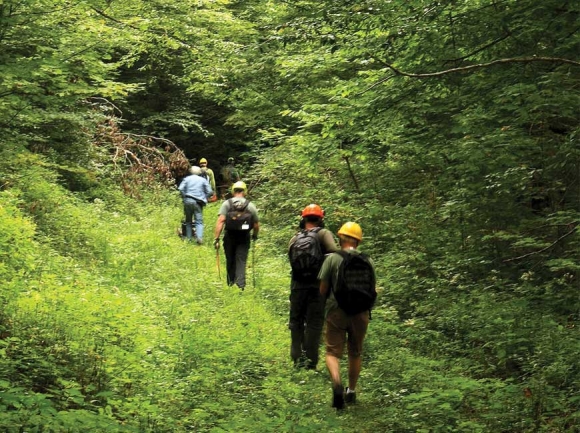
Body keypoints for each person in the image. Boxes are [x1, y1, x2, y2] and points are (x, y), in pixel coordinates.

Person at [318, 222, 376, 410]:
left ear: (340, 238)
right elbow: (372, 289)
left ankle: (337, 383)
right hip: (361, 313)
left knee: (332, 352)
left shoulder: (333, 259)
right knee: (355, 351)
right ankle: (351, 391)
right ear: (358, 241)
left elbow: (323, 289)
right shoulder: (368, 260)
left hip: (337, 311)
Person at [288, 204, 339, 370]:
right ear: (320, 219)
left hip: (297, 286)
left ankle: (296, 358)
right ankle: (310, 362)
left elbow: (291, 260)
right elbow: (334, 254)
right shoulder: (324, 234)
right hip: (318, 286)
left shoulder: (295, 238)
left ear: (303, 219)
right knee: (314, 323)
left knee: (296, 321)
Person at [213, 181, 259, 290]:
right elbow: (256, 225)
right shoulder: (250, 206)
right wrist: (255, 236)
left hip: (230, 236)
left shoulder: (227, 204)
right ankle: (240, 286)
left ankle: (230, 283)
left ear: (233, 191)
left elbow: (221, 221)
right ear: (245, 191)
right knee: (241, 260)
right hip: (244, 236)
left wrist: (216, 238)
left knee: (230, 258)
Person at [178, 166, 213, 244]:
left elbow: (180, 188)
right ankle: (199, 238)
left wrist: (184, 197)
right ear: (199, 172)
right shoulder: (203, 180)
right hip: (198, 202)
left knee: (188, 221)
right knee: (199, 221)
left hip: (187, 201)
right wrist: (204, 197)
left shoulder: (186, 179)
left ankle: (189, 239)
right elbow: (210, 192)